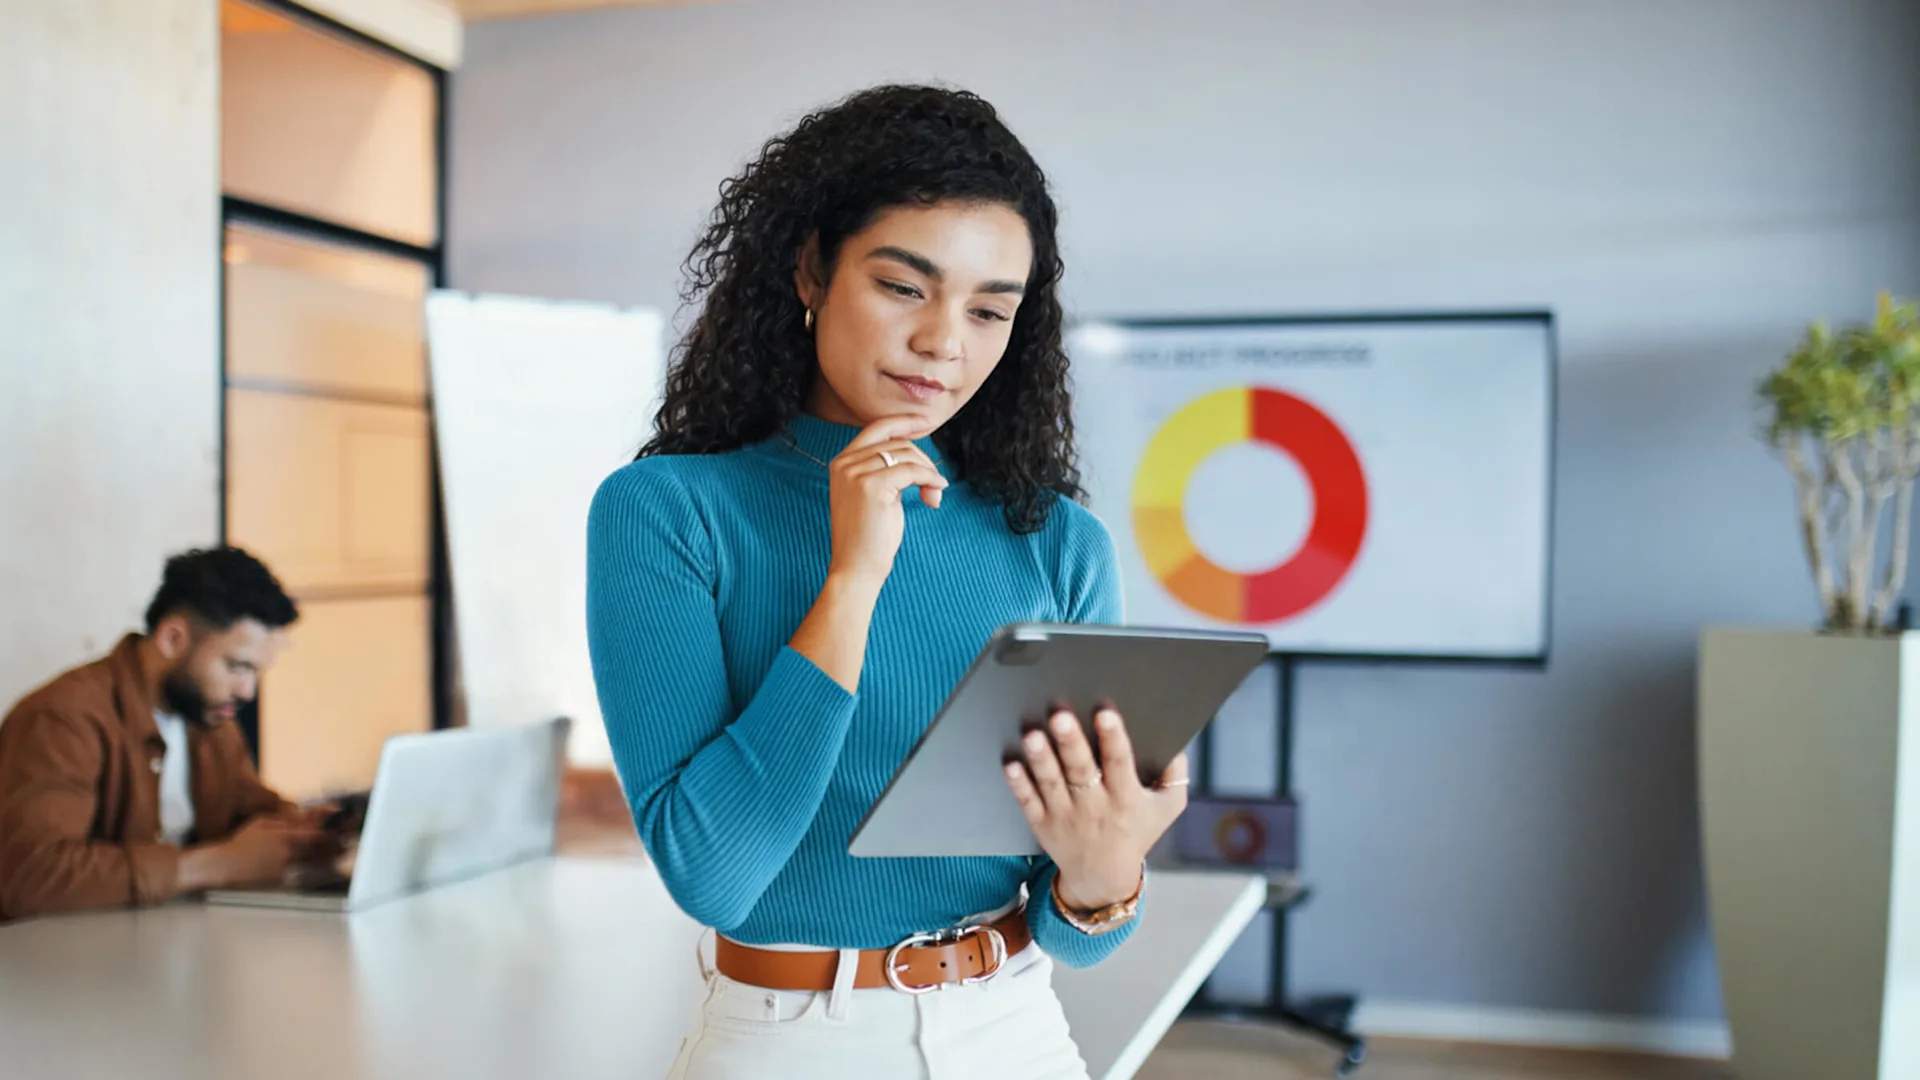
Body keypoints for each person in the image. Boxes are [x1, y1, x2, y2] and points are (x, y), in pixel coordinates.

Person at [585, 84, 1189, 1079]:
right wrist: (853, 581)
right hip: (785, 1040)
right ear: (812, 267)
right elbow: (717, 875)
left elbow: (1079, 933)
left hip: (1015, 1032)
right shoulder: (667, 512)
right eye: (905, 287)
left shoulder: (1058, 542)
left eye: (989, 310)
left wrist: (1103, 869)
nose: (944, 342)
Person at [0, 546, 332, 921]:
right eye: (236, 666)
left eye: (256, 672)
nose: (247, 692)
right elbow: (30, 878)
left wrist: (309, 831)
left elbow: (246, 811)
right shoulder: (63, 719)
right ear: (173, 638)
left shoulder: (208, 717)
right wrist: (217, 865)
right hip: (63, 969)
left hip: (164, 948)